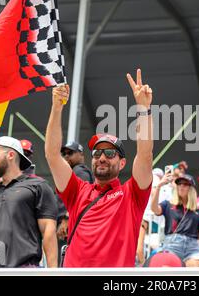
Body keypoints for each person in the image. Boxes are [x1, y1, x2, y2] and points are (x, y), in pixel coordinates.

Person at [45, 69, 153, 267]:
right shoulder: (77, 191)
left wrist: (143, 110)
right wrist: (56, 108)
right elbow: (52, 155)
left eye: (110, 153)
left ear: (122, 163)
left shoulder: (132, 194)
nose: (102, 157)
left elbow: (145, 156)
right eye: (97, 153)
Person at [0, 136, 58, 267]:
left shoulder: (38, 186)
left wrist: (53, 273)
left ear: (10, 155)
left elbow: (48, 231)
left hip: (24, 269)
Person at [151, 174, 199, 267]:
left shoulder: (197, 211)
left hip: (192, 246)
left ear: (191, 189)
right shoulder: (168, 204)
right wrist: (159, 186)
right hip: (172, 244)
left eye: (185, 184)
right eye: (179, 184)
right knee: (171, 273)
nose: (181, 186)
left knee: (196, 272)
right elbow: (154, 209)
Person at [57, 141, 94, 266]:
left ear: (81, 155)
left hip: (69, 227)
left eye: (70, 153)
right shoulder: (72, 171)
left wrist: (67, 219)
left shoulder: (80, 171)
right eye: (64, 154)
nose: (66, 156)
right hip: (67, 228)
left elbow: (81, 199)